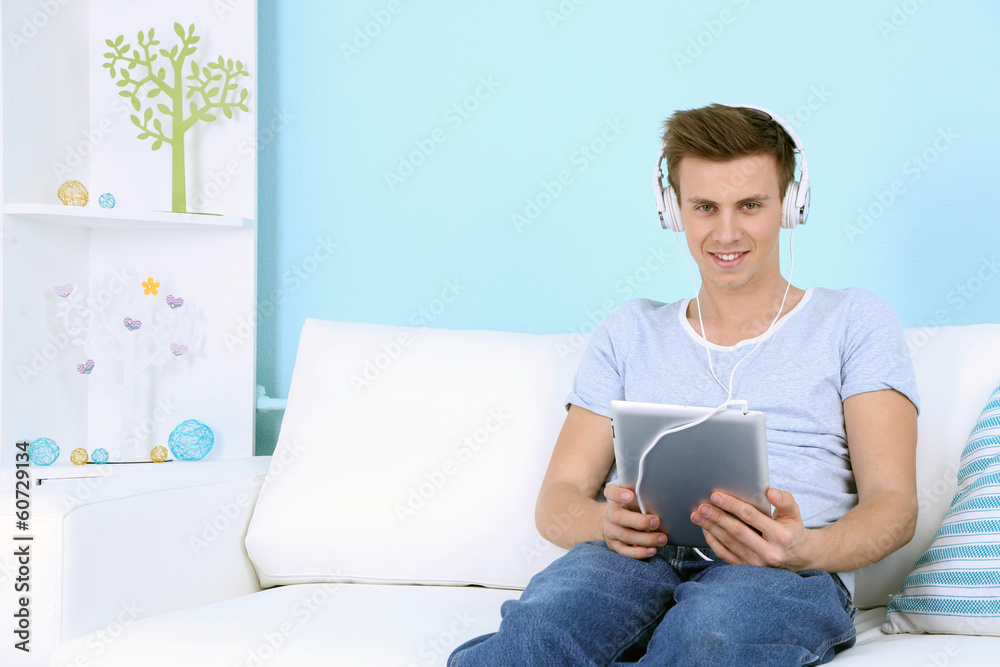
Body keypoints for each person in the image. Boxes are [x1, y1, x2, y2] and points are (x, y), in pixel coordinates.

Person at [448, 103, 920, 666]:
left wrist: (805, 548)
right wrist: (602, 521)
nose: (726, 232)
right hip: (631, 559)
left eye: (750, 205)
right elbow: (557, 500)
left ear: (791, 204)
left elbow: (894, 506)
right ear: (673, 211)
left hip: (774, 569)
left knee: (708, 643)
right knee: (534, 638)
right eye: (704, 207)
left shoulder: (855, 321)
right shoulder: (630, 330)